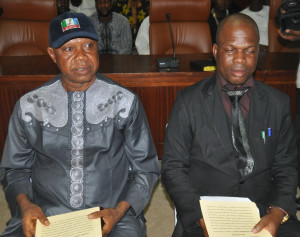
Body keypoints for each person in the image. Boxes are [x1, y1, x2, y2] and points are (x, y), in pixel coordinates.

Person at [0, 12, 159, 237]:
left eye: (88, 46)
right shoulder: (29, 106)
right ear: (52, 55)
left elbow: (146, 169)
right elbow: (15, 169)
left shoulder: (124, 101)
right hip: (46, 214)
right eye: (68, 49)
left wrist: (119, 211)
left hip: (111, 213)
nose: (82, 56)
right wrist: (26, 206)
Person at [161, 13, 300, 237]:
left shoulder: (278, 103)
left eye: (249, 50)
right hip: (205, 214)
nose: (240, 59)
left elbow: (286, 167)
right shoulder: (188, 101)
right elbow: (172, 168)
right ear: (216, 52)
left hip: (263, 210)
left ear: (258, 53)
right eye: (230, 49)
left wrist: (276, 214)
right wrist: (200, 217)